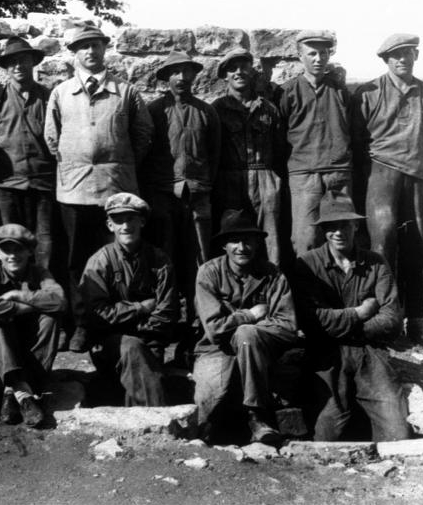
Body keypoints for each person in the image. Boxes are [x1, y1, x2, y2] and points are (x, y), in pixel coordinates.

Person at [44, 26, 154, 352]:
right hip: (74, 190)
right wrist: (79, 160)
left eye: (96, 45)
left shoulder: (126, 92)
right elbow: (52, 138)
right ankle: (82, 325)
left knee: (119, 257)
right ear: (74, 54)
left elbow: (143, 135)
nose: (90, 52)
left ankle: (118, 324)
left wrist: (116, 164)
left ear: (105, 49)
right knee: (77, 259)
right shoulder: (61, 93)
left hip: (115, 190)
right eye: (83, 47)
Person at [352, 34, 423, 351]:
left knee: (415, 246)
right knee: (382, 243)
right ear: (386, 60)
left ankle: (415, 320)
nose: (402, 59)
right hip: (381, 173)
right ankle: (385, 316)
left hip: (417, 175)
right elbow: (357, 139)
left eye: (408, 53)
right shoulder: (370, 92)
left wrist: (420, 166)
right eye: (396, 55)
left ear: (416, 56)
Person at [293, 192, 410, 441]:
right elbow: (311, 320)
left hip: (369, 352)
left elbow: (391, 320)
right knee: (327, 432)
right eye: (331, 226)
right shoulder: (307, 264)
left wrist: (343, 326)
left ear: (355, 226)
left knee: (397, 429)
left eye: (344, 225)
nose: (338, 232)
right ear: (323, 230)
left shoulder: (376, 263)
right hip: (326, 355)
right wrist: (360, 313)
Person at [193, 210, 298, 445]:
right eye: (234, 241)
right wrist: (250, 315)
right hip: (216, 349)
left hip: (261, 347)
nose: (242, 247)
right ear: (224, 245)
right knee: (207, 401)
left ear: (258, 243)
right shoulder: (209, 273)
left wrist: (250, 329)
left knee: (246, 335)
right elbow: (214, 330)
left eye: (248, 240)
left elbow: (288, 325)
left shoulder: (272, 274)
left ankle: (256, 416)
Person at [143, 50, 219, 330]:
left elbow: (215, 154)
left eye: (187, 71)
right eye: (176, 72)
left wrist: (204, 185)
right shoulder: (154, 111)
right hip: (163, 194)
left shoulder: (206, 112)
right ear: (166, 77)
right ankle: (167, 317)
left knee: (200, 256)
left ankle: (200, 320)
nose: (182, 77)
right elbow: (144, 153)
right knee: (166, 256)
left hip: (198, 195)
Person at [80, 193, 178, 406]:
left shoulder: (159, 260)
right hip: (109, 345)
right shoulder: (99, 262)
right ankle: (155, 417)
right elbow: (99, 314)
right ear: (110, 225)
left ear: (142, 222)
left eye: (131, 219)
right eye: (118, 220)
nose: (125, 226)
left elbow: (166, 312)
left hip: (151, 342)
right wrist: (141, 308)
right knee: (132, 348)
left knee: (141, 362)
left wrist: (137, 326)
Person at [0, 223, 65, 427]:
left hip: (29, 346)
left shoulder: (40, 273)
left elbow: (59, 301)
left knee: (51, 317)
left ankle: (13, 390)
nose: (12, 256)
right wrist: (26, 308)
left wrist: (18, 295)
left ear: (30, 252)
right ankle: (24, 394)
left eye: (18, 249)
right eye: (6, 250)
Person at [279, 29, 352, 256]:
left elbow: (354, 130)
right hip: (304, 174)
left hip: (338, 173)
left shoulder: (340, 90)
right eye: (312, 53)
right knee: (306, 238)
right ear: (300, 56)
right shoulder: (287, 92)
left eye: (323, 53)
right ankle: (307, 279)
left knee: (342, 236)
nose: (318, 59)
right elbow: (278, 135)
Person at [211, 48, 286, 268]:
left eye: (244, 67)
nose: (239, 72)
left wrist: (274, 181)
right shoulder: (217, 110)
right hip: (229, 180)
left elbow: (280, 148)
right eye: (232, 69)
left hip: (264, 177)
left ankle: (273, 282)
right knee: (231, 233)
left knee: (270, 236)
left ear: (251, 71)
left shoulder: (268, 109)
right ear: (225, 76)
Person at [0, 38, 55, 270]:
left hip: (43, 181)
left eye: (24, 60)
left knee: (44, 241)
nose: (18, 66)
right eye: (13, 62)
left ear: (33, 63)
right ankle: (15, 288)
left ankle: (43, 287)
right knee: (11, 242)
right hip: (8, 184)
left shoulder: (48, 97)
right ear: (6, 67)